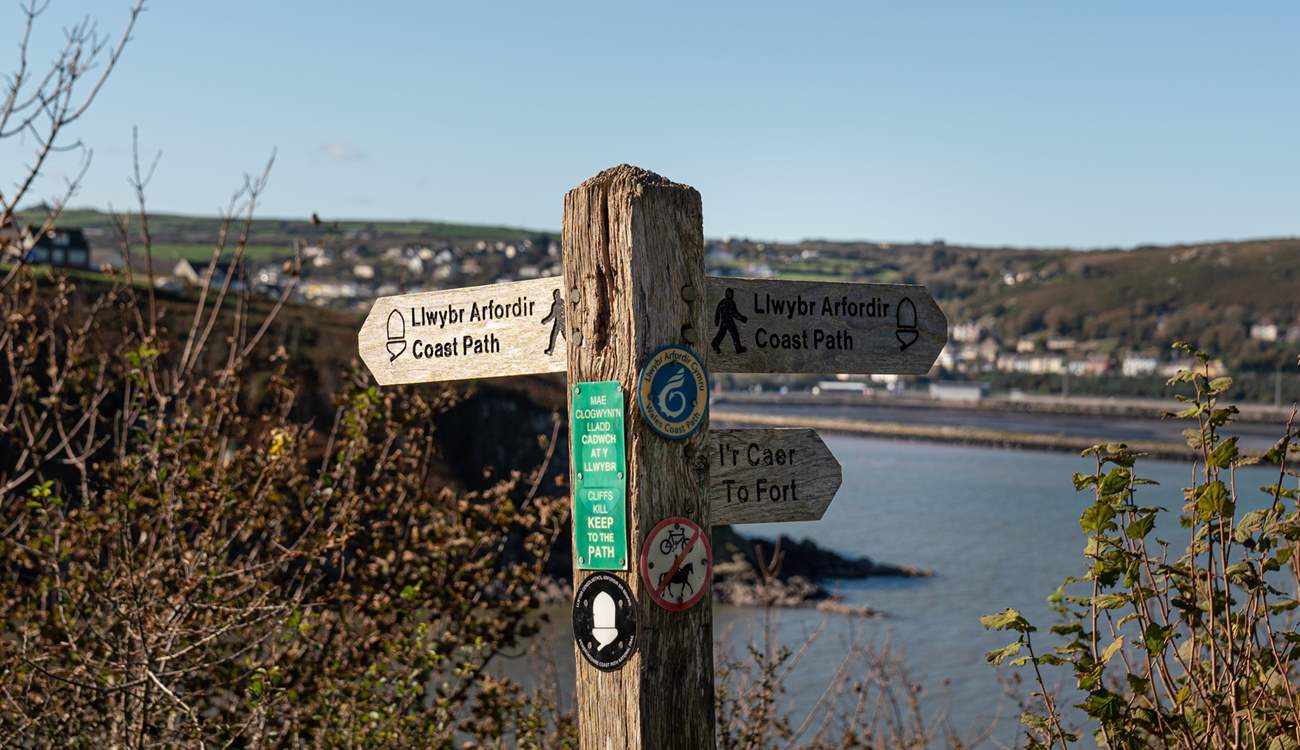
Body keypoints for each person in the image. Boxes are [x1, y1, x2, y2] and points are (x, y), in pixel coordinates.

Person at [711, 288, 747, 354]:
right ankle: (738, 347)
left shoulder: (722, 302)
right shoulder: (730, 302)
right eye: (730, 294)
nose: (731, 295)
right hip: (728, 320)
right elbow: (734, 313)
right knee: (734, 333)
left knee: (721, 334)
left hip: (724, 321)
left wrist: (717, 320)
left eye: (731, 294)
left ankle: (715, 344)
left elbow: (717, 312)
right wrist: (742, 318)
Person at [541, 288, 565, 355]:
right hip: (558, 323)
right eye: (555, 296)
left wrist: (545, 321)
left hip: (563, 322)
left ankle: (551, 350)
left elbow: (552, 315)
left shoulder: (561, 303)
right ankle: (551, 350)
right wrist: (545, 321)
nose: (556, 297)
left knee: (564, 336)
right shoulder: (556, 304)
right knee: (554, 336)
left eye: (557, 295)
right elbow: (553, 315)